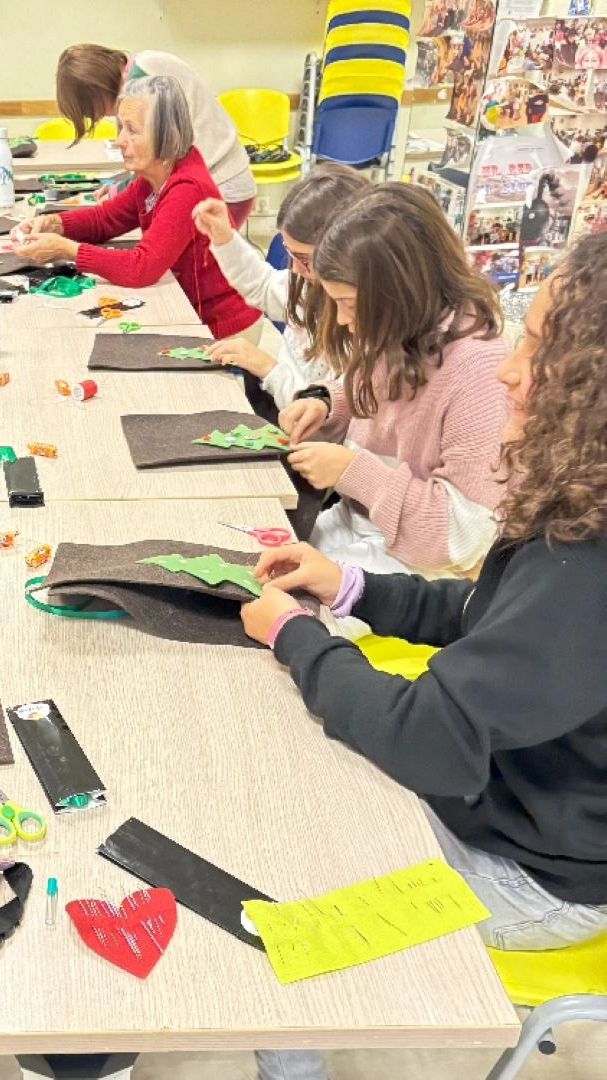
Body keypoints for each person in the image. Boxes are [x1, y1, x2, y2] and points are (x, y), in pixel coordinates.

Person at [239, 236, 607, 1080]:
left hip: (535, 873)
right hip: (517, 808)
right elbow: (482, 611)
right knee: (300, 761)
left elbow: (428, 737)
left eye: (540, 349)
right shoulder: (576, 525)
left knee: (285, 893)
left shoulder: (586, 572)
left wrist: (297, 639)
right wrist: (352, 587)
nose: (511, 372)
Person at [276, 183, 509, 577]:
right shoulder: (401, 326)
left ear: (398, 293)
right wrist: (327, 404)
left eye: (348, 304)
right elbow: (377, 394)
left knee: (276, 613)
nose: (345, 320)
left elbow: (462, 539)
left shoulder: (479, 369)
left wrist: (353, 471)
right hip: (361, 525)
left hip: (416, 567)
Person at [13, 76, 263, 384]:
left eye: (132, 130)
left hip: (222, 328)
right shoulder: (156, 173)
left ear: (166, 136)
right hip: (191, 312)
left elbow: (141, 268)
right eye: (121, 128)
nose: (119, 140)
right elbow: (106, 220)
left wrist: (65, 249)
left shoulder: (187, 186)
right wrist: (55, 222)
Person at [191, 163, 371, 410]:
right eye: (290, 253)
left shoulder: (355, 321)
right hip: (280, 409)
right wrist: (225, 238)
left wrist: (269, 369)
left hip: (305, 431)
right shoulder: (309, 288)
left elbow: (326, 422)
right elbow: (262, 285)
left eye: (305, 259)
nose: (295, 269)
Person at [56, 44, 257, 226]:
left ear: (95, 92)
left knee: (194, 264)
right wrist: (120, 191)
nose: (98, 117)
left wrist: (118, 196)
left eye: (93, 111)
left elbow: (155, 161)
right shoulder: (142, 66)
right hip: (220, 182)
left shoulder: (142, 83)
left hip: (221, 187)